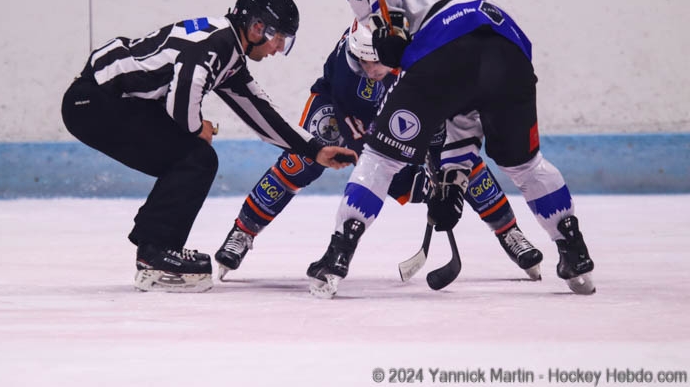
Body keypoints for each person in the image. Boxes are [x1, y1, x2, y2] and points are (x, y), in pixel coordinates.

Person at [307, 0, 596, 297]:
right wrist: (453, 185)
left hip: (442, 48)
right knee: (525, 164)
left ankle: (339, 251)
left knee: (381, 159)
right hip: (510, 51)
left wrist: (393, 25)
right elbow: (465, 122)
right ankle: (574, 251)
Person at [61, 0, 357, 293]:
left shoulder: (227, 46)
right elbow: (183, 99)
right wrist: (196, 126)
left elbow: (260, 111)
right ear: (257, 27)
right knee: (195, 158)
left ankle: (155, 248)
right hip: (94, 104)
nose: (278, 48)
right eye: (278, 37)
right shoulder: (217, 45)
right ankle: (156, 254)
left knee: (190, 156)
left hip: (100, 100)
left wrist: (315, 150)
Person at [214, 16, 543, 281]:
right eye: (363, 62)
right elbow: (369, 152)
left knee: (460, 162)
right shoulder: (347, 72)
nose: (370, 71)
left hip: (411, 101)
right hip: (343, 109)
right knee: (300, 163)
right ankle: (242, 233)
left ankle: (509, 232)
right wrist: (413, 186)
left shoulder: (425, 55)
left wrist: (439, 148)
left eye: (376, 63)